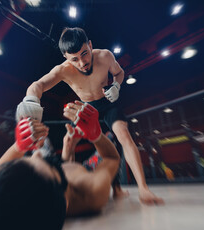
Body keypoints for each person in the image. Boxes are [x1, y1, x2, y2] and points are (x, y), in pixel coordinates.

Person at [16, 27, 162, 204]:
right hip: (87, 109)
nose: (82, 62)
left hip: (109, 104)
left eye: (85, 53)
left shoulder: (105, 56)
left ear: (90, 45)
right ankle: (67, 189)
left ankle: (143, 190)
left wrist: (116, 86)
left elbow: (119, 73)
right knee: (69, 141)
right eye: (75, 59)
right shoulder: (63, 70)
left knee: (123, 135)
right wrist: (31, 100)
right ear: (66, 58)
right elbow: (36, 85)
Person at [0, 102, 132, 230]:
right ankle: (74, 154)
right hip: (83, 169)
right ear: (64, 200)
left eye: (27, 159)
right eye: (40, 162)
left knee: (39, 141)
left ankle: (66, 150)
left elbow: (0, 174)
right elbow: (111, 159)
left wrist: (19, 146)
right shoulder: (91, 191)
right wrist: (96, 135)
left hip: (62, 166)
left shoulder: (36, 198)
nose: (36, 156)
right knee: (112, 138)